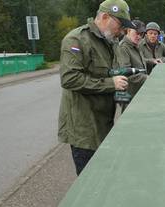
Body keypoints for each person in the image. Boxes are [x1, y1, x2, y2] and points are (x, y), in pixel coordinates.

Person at [58, 0, 136, 175]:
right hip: (84, 130)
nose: (123, 31)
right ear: (105, 17)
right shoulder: (76, 39)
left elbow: (109, 73)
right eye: (121, 24)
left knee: (104, 177)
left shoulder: (110, 42)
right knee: (89, 184)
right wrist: (111, 83)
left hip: (103, 124)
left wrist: (121, 89)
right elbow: (70, 79)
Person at [116, 20, 148, 98]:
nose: (139, 37)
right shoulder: (123, 48)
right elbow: (126, 72)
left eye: (141, 34)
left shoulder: (136, 45)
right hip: (130, 95)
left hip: (138, 93)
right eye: (137, 33)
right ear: (129, 30)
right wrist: (148, 78)